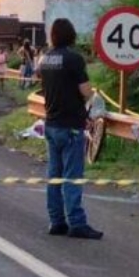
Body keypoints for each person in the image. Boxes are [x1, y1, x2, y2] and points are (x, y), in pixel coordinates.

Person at [37, 18, 102, 240]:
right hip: (71, 125)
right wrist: (94, 97)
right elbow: (85, 91)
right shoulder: (74, 59)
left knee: (54, 175)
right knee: (72, 176)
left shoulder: (45, 59)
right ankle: (77, 222)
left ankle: (56, 221)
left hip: (51, 123)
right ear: (72, 35)